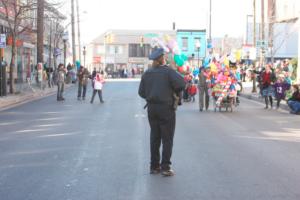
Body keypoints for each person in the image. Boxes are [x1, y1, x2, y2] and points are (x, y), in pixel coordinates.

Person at [138, 48, 185, 176]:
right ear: (162, 58)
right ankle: (165, 167)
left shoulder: (147, 73)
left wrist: (151, 95)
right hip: (166, 108)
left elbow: (141, 92)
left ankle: (154, 166)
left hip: (152, 109)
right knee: (167, 139)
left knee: (155, 137)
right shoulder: (168, 72)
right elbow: (182, 83)